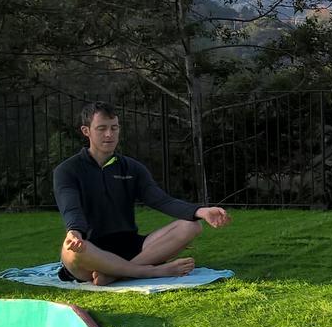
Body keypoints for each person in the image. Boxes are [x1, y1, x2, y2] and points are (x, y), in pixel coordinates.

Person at [54, 101, 230, 285]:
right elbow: (71, 207)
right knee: (71, 250)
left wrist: (201, 211)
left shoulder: (132, 168)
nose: (109, 134)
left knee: (192, 226)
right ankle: (149, 272)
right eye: (101, 128)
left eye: (114, 128)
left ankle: (117, 273)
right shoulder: (67, 170)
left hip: (132, 247)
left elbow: (161, 200)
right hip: (91, 250)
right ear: (86, 131)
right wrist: (74, 232)